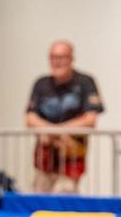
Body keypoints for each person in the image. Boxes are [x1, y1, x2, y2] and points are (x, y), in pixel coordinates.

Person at [25, 40, 104, 194]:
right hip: (44, 158)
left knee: (64, 194)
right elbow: (30, 118)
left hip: (71, 157)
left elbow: (90, 119)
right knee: (39, 196)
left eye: (62, 57)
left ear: (71, 59)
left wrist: (56, 131)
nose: (57, 62)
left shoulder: (85, 82)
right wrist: (56, 132)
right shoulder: (41, 84)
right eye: (53, 57)